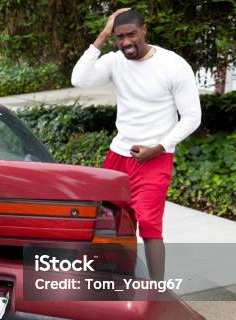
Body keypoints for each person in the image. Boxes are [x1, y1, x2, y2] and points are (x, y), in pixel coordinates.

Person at [71, 8, 201, 280]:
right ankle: (118, 281)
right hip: (118, 155)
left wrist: (159, 147)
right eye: (119, 37)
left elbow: (192, 117)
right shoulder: (115, 61)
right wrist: (103, 34)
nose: (126, 42)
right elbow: (79, 80)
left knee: (150, 225)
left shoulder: (173, 65)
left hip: (155, 158)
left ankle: (157, 293)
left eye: (131, 34)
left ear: (144, 31)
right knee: (113, 221)